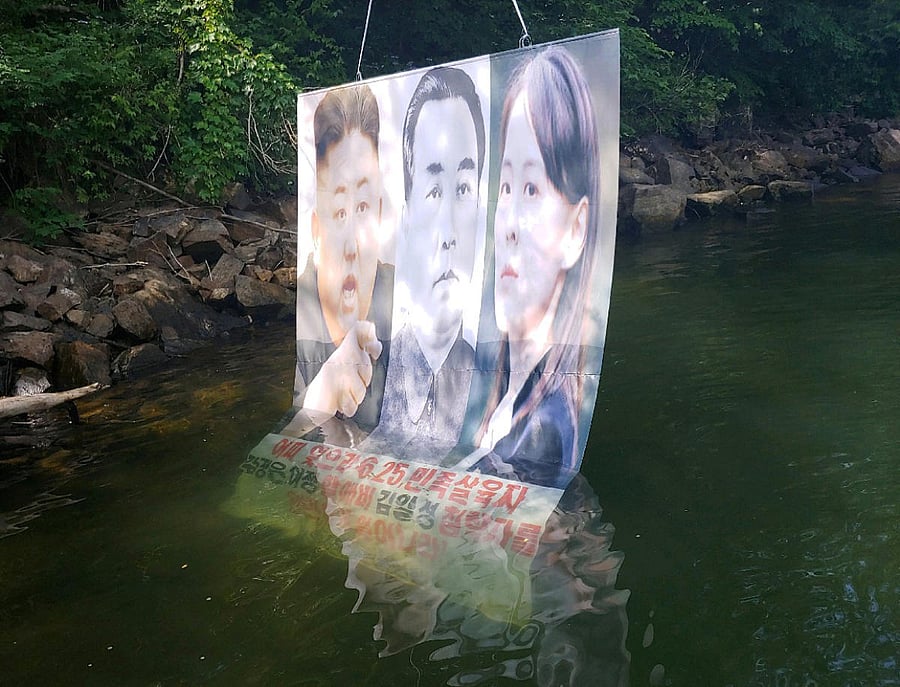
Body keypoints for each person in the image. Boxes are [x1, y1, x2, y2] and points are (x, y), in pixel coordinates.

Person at [464, 47, 601, 489]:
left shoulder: (545, 431)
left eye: (530, 187)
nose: (507, 226)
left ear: (576, 229)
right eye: (505, 186)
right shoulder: (502, 396)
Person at [365, 66, 486, 460]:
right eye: (433, 192)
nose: (448, 231)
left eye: (464, 188)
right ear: (408, 215)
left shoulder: (498, 389)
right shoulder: (370, 372)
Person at [285, 84, 394, 438]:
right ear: (316, 229)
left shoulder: (406, 303)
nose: (352, 246)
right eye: (340, 210)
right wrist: (320, 396)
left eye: (362, 208)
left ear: (379, 216)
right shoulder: (307, 304)